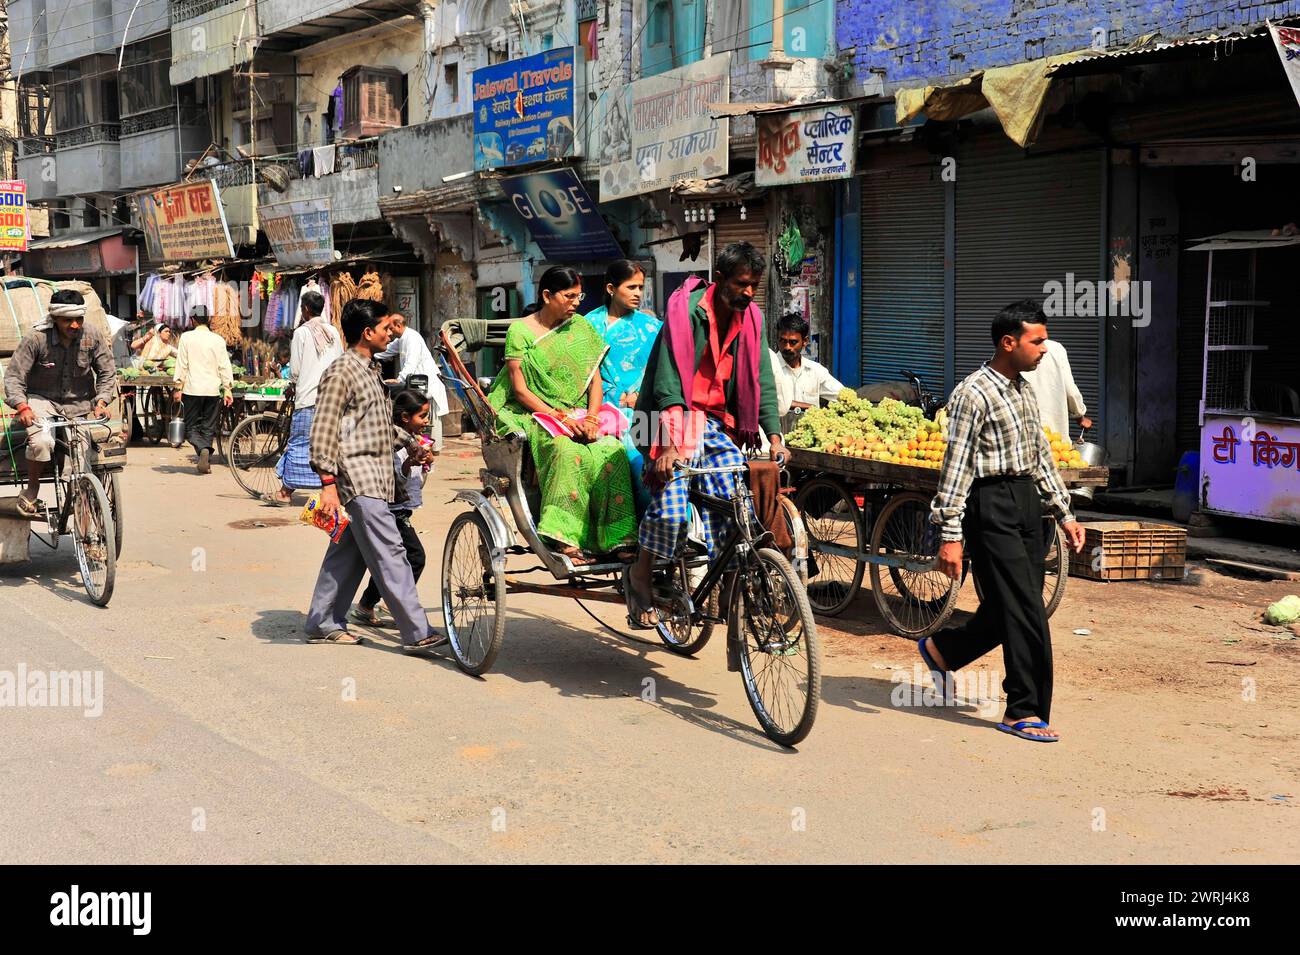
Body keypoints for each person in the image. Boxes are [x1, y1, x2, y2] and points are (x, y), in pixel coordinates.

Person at [923, 299, 1087, 743]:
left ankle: (943, 651)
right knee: (1027, 609)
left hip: (1028, 504)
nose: (1045, 348)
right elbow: (955, 469)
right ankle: (1023, 708)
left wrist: (1064, 512)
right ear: (1008, 342)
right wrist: (951, 536)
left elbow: (1040, 458)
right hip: (989, 503)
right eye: (1037, 340)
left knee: (1011, 605)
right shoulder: (972, 393)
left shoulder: (1024, 390)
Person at [626, 242, 783, 624]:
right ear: (720, 279)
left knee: (737, 499)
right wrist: (669, 446)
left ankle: (728, 587)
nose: (749, 292)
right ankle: (641, 574)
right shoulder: (684, 313)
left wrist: (775, 436)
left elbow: (761, 377)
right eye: (742, 284)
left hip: (712, 425)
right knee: (673, 509)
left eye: (754, 285)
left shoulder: (752, 319)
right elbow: (667, 384)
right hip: (663, 421)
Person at [304, 299, 440, 650]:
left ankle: (323, 621)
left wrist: (411, 444)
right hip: (358, 478)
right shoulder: (341, 372)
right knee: (392, 552)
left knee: (348, 554)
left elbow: (376, 428)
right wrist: (328, 485)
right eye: (385, 328)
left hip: (377, 478)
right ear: (367, 333)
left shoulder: (372, 371)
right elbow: (323, 429)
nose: (391, 333)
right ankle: (418, 632)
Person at [486, 266, 637, 563]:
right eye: (568, 296)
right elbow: (520, 390)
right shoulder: (521, 331)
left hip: (581, 413)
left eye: (578, 296)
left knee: (612, 451)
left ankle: (618, 537)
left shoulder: (581, 327)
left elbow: (594, 379)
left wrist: (591, 418)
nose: (576, 302)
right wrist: (561, 418)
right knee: (567, 453)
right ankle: (562, 537)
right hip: (540, 413)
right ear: (547, 296)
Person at [3, 289, 116, 516]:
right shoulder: (36, 338)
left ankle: (82, 498)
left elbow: (107, 372)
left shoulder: (92, 335)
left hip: (79, 405)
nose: (74, 325)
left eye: (78, 320)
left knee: (81, 454)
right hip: (40, 401)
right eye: (67, 320)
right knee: (42, 442)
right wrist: (22, 407)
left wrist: (102, 401)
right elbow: (14, 376)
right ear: (55, 318)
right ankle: (33, 488)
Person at [583, 259, 661, 514]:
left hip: (646, 411)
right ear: (610, 288)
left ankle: (655, 530)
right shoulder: (586, 326)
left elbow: (662, 370)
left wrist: (640, 395)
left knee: (652, 463)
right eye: (631, 287)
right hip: (598, 410)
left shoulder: (652, 327)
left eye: (641, 287)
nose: (638, 293)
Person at [351, 389, 432, 627]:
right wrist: (409, 462)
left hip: (401, 509)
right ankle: (391, 603)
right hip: (393, 510)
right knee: (415, 557)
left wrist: (426, 460)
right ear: (406, 417)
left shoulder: (413, 440)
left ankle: (367, 605)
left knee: (391, 559)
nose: (426, 422)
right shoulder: (394, 442)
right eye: (423, 416)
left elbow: (419, 476)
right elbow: (394, 478)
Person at [266, 291, 341, 505]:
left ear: (305, 309)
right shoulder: (333, 332)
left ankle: (284, 493)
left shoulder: (301, 333)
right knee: (329, 446)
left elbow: (295, 370)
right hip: (332, 399)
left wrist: (292, 384)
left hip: (308, 399)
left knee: (299, 444)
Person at [172, 308, 233, 474]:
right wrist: (228, 389)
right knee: (208, 427)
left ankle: (203, 449)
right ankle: (204, 456)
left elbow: (182, 364)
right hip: (213, 390)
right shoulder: (218, 339)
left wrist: (178, 387)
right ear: (209, 319)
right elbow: (224, 365)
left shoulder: (187, 338)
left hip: (193, 389)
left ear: (193, 320)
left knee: (191, 427)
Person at [376, 311, 449, 451]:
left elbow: (411, 363)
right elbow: (385, 351)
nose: (389, 332)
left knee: (426, 418)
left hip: (425, 383)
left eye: (390, 328)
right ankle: (420, 446)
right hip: (416, 384)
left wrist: (398, 380)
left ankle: (430, 449)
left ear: (398, 325)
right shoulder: (401, 339)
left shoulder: (412, 338)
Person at [1021, 337, 1091, 439]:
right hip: (1054, 437)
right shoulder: (1055, 348)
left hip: (1025, 436)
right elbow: (1070, 390)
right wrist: (1080, 416)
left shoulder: (1009, 351)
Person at [774, 314, 844, 410]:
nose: (787, 347)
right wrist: (809, 407)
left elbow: (842, 395)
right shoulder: (768, 367)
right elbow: (765, 401)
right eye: (783, 341)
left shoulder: (816, 370)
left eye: (793, 342)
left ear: (805, 341)